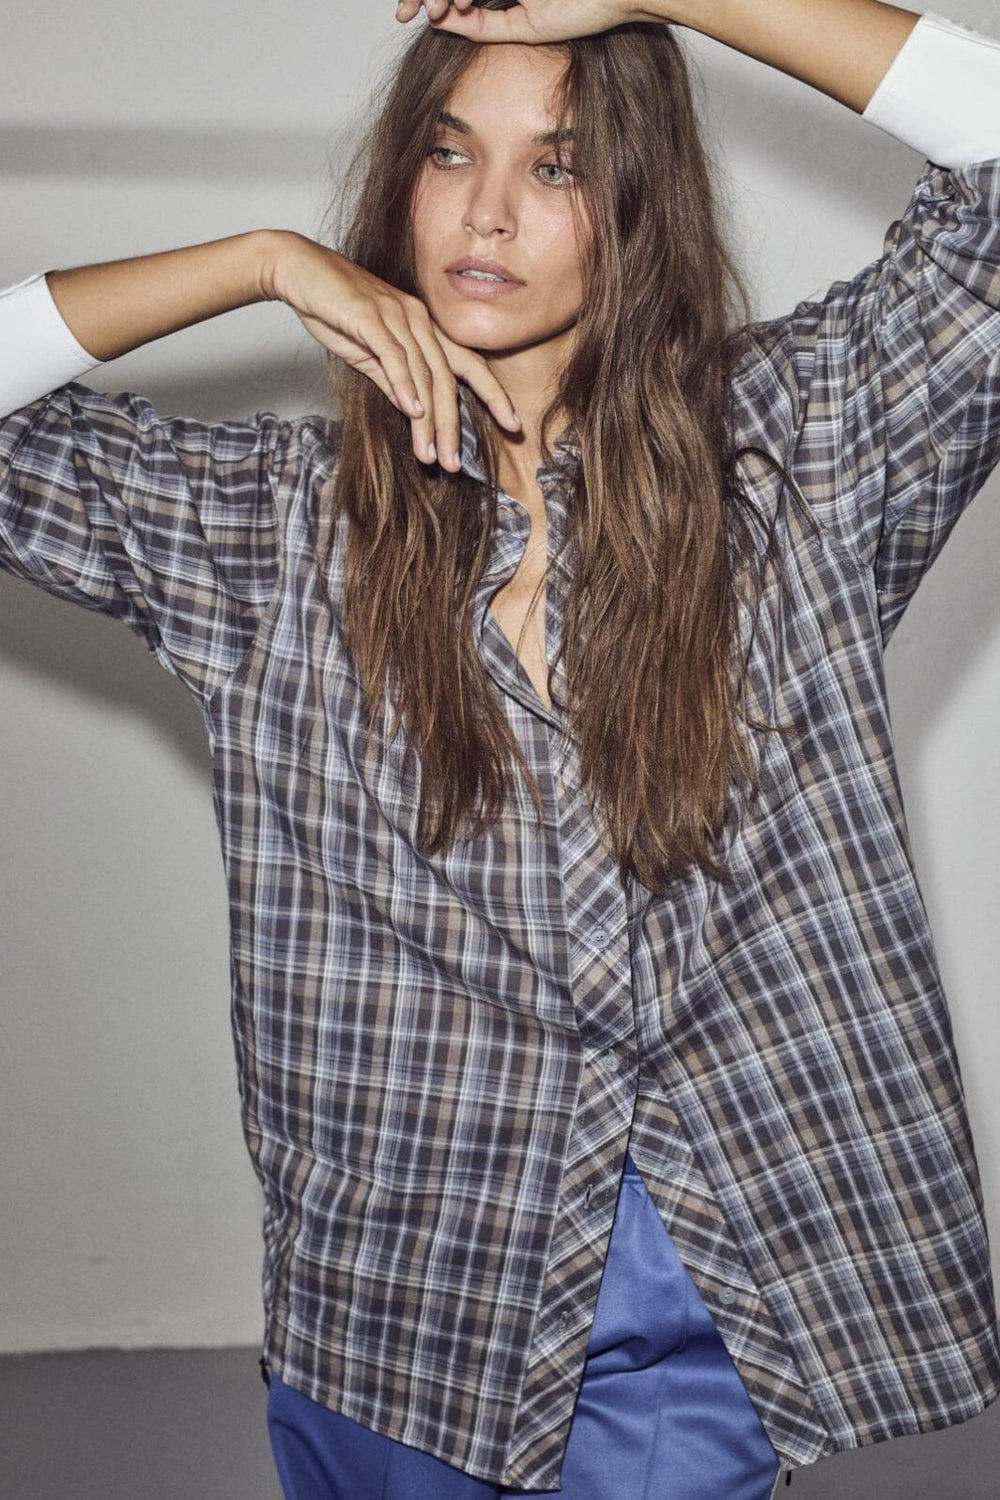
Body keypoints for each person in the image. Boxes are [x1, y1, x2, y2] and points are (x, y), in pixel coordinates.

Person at [2, 1, 999, 1495]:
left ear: (636, 206)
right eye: (450, 152)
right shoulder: (267, 533)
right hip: (404, 1311)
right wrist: (258, 261)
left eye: (558, 166)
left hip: (713, 1292)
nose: (486, 212)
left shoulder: (802, 455)